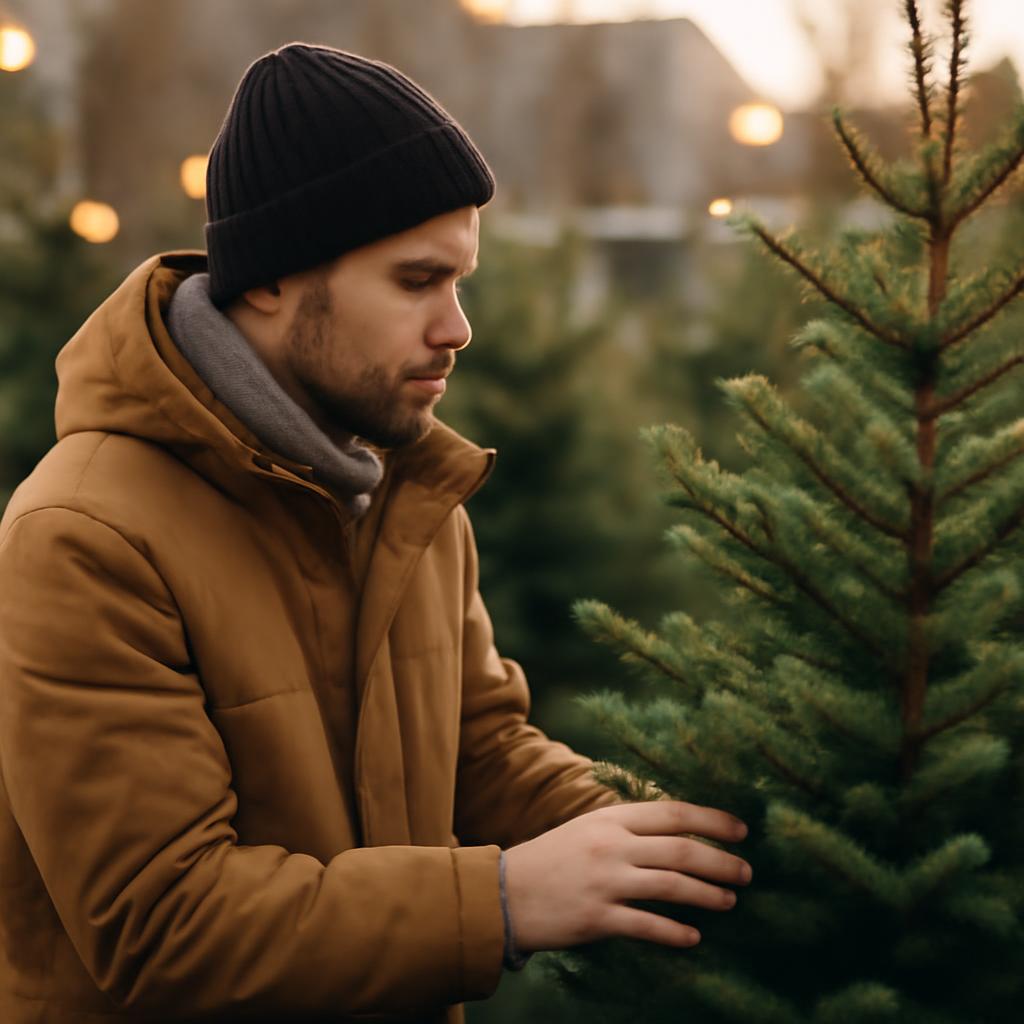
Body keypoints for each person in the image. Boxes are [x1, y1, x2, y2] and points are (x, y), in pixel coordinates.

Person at [0, 43, 751, 1024]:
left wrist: (662, 838)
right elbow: (162, 922)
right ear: (271, 278)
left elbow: (479, 752)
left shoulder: (400, 488)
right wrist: (503, 901)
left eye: (461, 280)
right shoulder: (84, 537)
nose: (457, 327)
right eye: (415, 281)